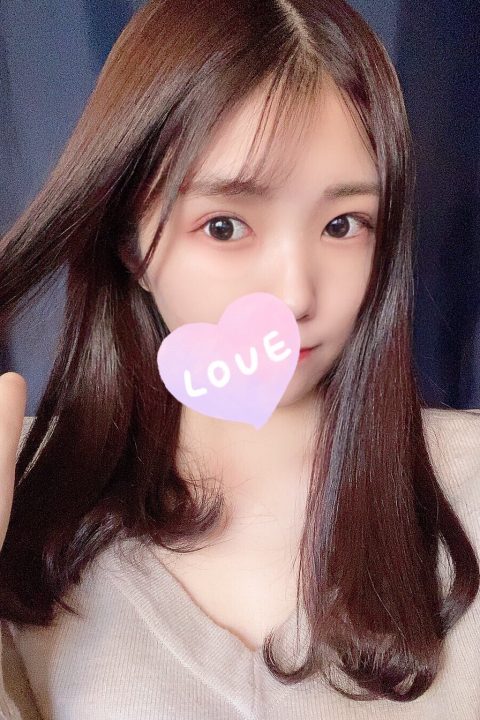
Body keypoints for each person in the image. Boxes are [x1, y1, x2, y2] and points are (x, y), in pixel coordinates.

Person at [0, 0, 479, 718]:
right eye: (224, 226)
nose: (294, 294)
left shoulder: (470, 484)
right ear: (131, 244)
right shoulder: (23, 491)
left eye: (343, 224)